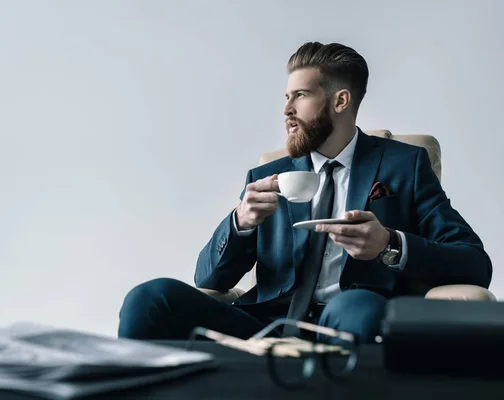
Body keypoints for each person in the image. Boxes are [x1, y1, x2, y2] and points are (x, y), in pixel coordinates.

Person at [117, 42, 492, 344]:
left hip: (351, 314)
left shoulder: (404, 165)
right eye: (286, 96)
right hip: (262, 323)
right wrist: (241, 222)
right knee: (148, 299)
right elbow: (209, 280)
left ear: (340, 101)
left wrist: (388, 245)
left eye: (299, 95)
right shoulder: (266, 176)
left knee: (359, 306)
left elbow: (474, 264)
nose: (286, 109)